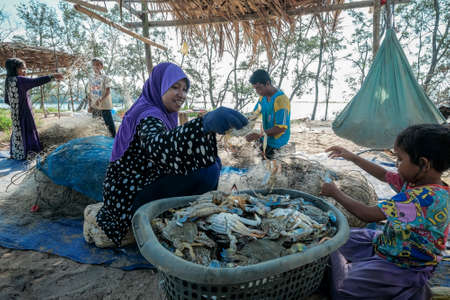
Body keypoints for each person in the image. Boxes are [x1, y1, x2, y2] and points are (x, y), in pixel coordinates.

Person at [95, 62, 248, 246]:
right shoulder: (148, 116)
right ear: (159, 87)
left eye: (184, 89)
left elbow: (173, 146)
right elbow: (159, 146)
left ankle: (190, 215)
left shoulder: (162, 113)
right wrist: (203, 124)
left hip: (146, 180)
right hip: (129, 197)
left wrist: (203, 129)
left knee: (209, 160)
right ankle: (177, 221)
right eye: (174, 87)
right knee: (207, 170)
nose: (181, 94)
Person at [320, 124, 450, 300]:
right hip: (390, 242)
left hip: (404, 266)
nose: (396, 165)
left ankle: (411, 289)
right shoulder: (417, 181)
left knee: (343, 291)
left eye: (400, 159)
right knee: (337, 239)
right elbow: (384, 175)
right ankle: (364, 269)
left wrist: (335, 192)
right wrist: (352, 157)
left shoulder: (423, 197)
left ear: (424, 163)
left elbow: (368, 214)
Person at [4, 58, 63, 160]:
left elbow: (6, 100)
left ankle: (16, 153)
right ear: (15, 69)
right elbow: (36, 81)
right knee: (28, 132)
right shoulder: (19, 80)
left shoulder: (8, 81)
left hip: (15, 115)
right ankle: (29, 154)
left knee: (17, 133)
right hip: (25, 113)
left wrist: (16, 105)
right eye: (23, 69)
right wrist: (52, 76)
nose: (25, 71)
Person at [245, 69, 290, 159]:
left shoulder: (281, 100)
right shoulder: (262, 98)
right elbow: (254, 115)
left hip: (277, 142)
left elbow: (281, 128)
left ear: (268, 83)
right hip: (265, 137)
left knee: (266, 166)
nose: (257, 92)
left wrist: (258, 134)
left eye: (259, 88)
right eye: (255, 89)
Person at [87, 58, 116, 137]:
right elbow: (89, 93)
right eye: (94, 65)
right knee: (96, 125)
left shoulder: (105, 77)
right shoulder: (91, 79)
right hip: (95, 106)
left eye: (97, 64)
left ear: (101, 66)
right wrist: (90, 105)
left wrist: (101, 99)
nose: (95, 66)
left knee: (109, 125)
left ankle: (114, 140)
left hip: (105, 106)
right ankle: (99, 141)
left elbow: (108, 91)